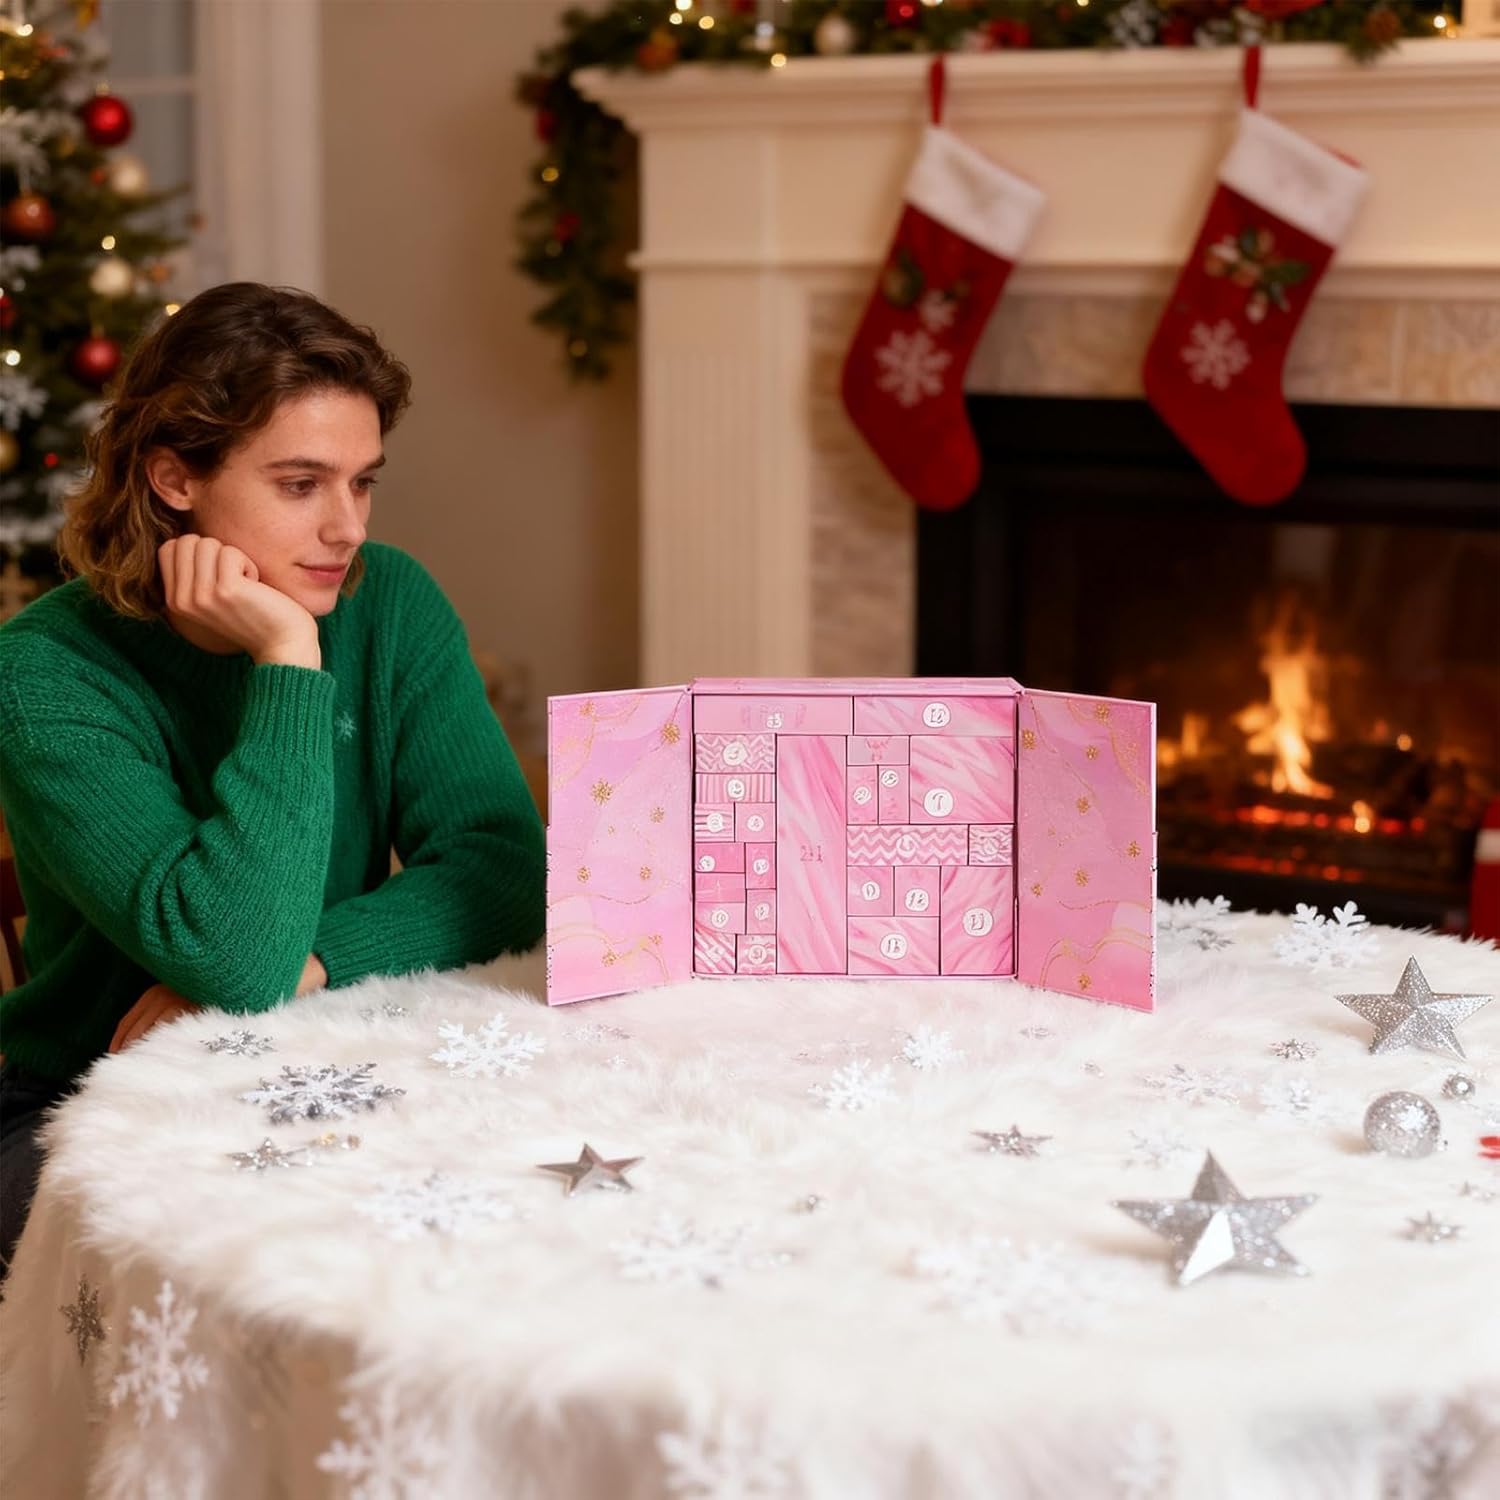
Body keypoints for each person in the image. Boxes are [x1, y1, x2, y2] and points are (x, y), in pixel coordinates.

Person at [0, 282, 546, 1280]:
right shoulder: (46, 671)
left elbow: (504, 868)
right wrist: (288, 660)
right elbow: (236, 960)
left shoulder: (394, 602)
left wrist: (316, 961)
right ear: (175, 478)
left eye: (362, 483)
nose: (348, 527)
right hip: (88, 1101)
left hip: (326, 1051)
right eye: (301, 485)